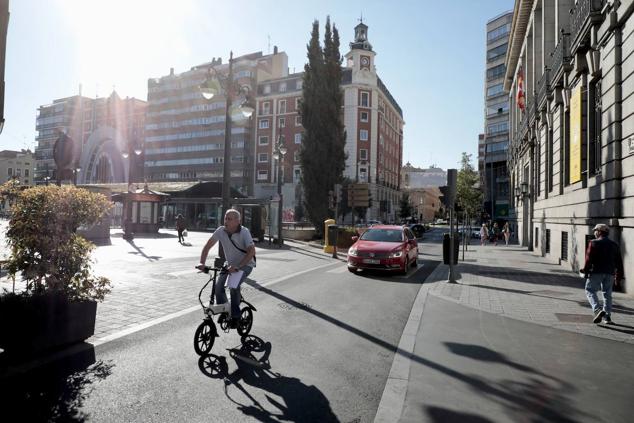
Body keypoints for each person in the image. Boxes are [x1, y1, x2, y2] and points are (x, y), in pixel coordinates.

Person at [197, 209, 256, 328]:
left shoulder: (244, 232)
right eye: (225, 218)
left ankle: (236, 316)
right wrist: (202, 263)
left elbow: (251, 251)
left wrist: (238, 266)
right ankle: (225, 310)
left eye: (229, 219)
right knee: (218, 287)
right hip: (229, 265)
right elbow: (207, 247)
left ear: (237, 221)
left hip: (245, 265)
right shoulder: (221, 231)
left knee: (233, 286)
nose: (226, 221)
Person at [581, 224, 624, 324]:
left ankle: (597, 310)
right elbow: (619, 262)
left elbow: (588, 259)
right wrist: (618, 276)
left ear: (599, 232)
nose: (594, 232)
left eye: (595, 230)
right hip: (610, 273)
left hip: (596, 272)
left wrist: (585, 270)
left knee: (590, 290)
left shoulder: (593, 243)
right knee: (607, 294)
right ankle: (607, 317)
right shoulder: (614, 245)